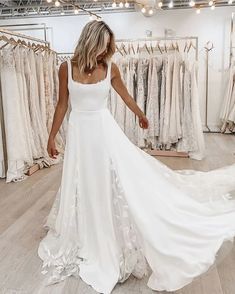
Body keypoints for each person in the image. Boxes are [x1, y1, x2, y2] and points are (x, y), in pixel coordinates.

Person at [38, 20, 235, 294]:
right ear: (89, 41)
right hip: (79, 133)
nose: (103, 52)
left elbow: (125, 96)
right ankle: (85, 228)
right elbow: (62, 105)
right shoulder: (66, 68)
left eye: (107, 48)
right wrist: (51, 137)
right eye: (100, 46)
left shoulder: (111, 68)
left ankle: (106, 226)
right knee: (82, 180)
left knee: (109, 179)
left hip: (103, 131)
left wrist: (140, 114)